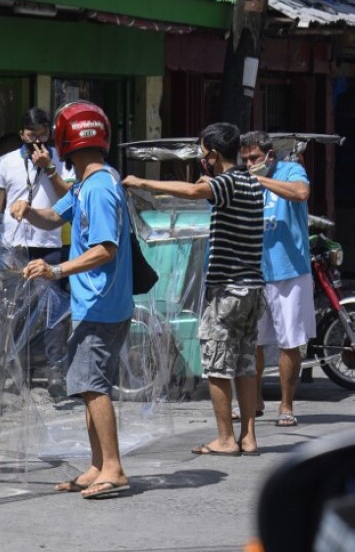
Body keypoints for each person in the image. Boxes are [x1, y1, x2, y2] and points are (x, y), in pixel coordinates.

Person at [14, 101, 133, 499]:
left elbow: (105, 249)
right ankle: (97, 465)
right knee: (87, 386)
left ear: (65, 142)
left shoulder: (98, 189)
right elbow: (54, 217)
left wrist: (57, 270)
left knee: (94, 386)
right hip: (96, 303)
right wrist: (28, 211)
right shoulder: (89, 183)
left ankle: (113, 468)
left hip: (100, 304)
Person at [123, 122, 265, 456]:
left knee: (217, 366)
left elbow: (190, 192)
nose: (202, 160)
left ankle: (225, 439)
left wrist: (141, 182)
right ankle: (248, 437)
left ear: (213, 155)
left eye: (203, 154)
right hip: (253, 289)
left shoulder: (225, 183)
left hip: (227, 290)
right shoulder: (251, 182)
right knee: (244, 365)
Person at [0, 107, 75, 400]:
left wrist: (49, 167)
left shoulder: (62, 161)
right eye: (30, 135)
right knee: (14, 309)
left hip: (47, 244)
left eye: (42, 135)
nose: (36, 141)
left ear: (49, 133)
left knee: (53, 310)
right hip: (14, 244)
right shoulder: (6, 162)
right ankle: (15, 369)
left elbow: (69, 199)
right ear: (21, 134)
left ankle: (55, 371)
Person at [240, 130, 313, 428]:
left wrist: (262, 181)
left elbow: (301, 193)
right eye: (245, 160)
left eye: (254, 158)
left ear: (269, 154)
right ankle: (254, 400)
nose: (249, 164)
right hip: (253, 271)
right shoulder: (242, 178)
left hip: (289, 270)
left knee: (289, 342)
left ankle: (286, 405)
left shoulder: (290, 170)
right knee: (251, 342)